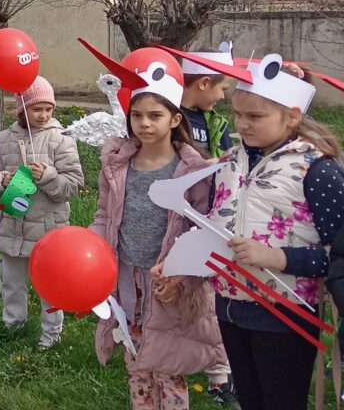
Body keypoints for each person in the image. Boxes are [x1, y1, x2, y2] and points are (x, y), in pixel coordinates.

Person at [201, 60, 344, 410]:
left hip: (285, 312)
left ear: (292, 117)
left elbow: (338, 256)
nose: (242, 124)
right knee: (250, 399)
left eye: (255, 116)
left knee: (281, 401)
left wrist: (276, 257)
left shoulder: (317, 170)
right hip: (230, 306)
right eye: (237, 113)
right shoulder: (229, 162)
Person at [90, 84, 223, 410]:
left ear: (176, 119)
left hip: (168, 284)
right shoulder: (117, 164)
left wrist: (183, 277)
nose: (144, 123)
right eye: (137, 115)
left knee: (168, 364)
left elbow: (202, 230)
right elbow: (104, 213)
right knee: (136, 361)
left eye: (155, 116)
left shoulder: (193, 172)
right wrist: (91, 251)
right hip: (126, 279)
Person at [0, 76, 83, 350]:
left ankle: (51, 335)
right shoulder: (4, 139)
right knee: (12, 283)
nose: (43, 115)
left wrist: (48, 176)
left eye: (48, 109)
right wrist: (0, 181)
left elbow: (72, 184)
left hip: (47, 230)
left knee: (49, 287)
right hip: (11, 226)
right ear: (21, 109)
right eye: (36, 109)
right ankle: (12, 328)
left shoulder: (61, 140)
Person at [173, 46, 240, 405]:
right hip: (179, 216)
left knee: (214, 293)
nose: (224, 96)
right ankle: (175, 357)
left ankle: (219, 376)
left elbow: (229, 164)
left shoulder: (218, 124)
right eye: (222, 88)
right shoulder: (172, 118)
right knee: (180, 290)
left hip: (214, 217)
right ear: (202, 83)